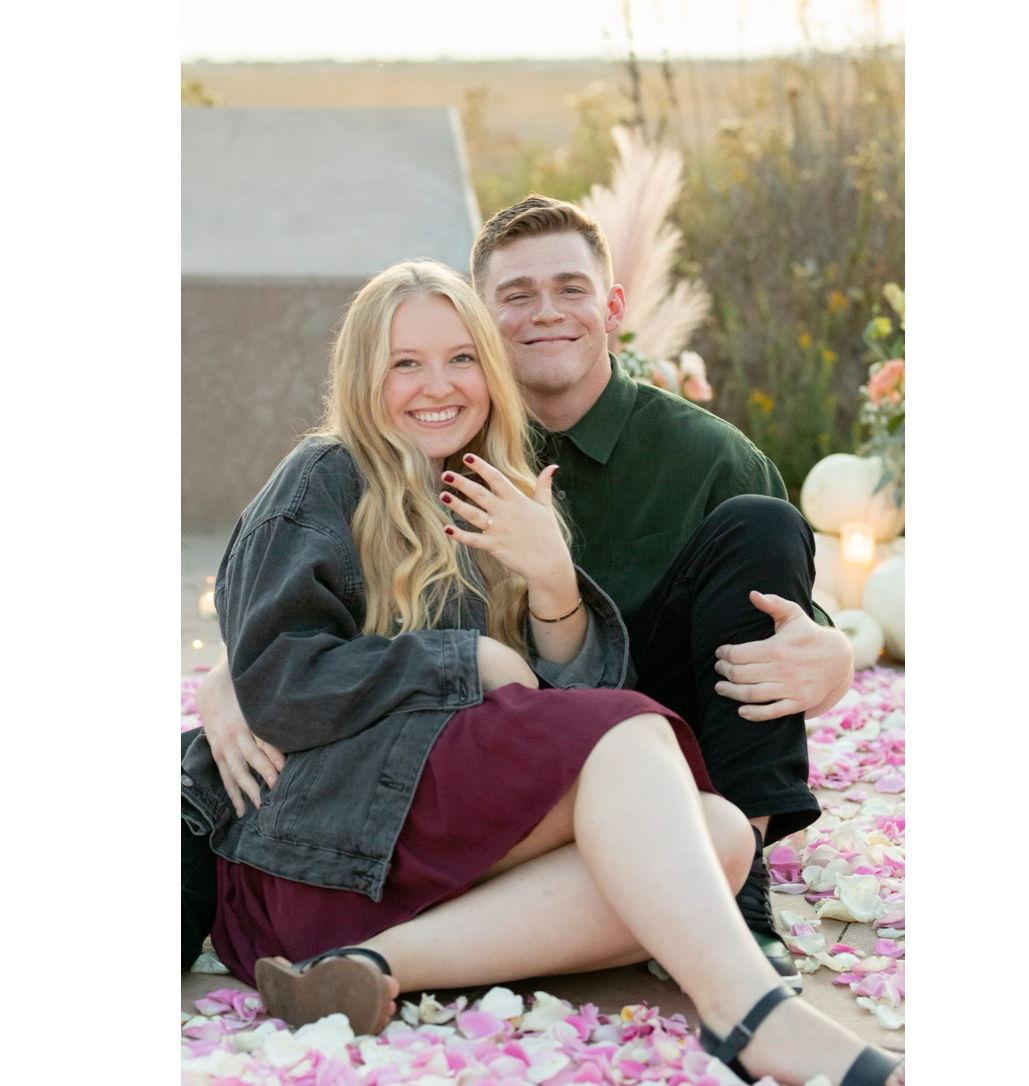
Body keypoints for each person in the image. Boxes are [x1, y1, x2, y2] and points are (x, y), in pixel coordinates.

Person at [182, 260, 901, 1086]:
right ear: (362, 377)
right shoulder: (325, 475)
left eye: (461, 358)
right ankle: (754, 1017)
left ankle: (366, 968)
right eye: (406, 363)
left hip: (415, 881)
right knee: (627, 730)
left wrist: (554, 583)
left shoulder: (489, 488)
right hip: (309, 858)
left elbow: (556, 709)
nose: (438, 385)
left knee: (723, 836)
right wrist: (466, 658)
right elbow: (277, 678)